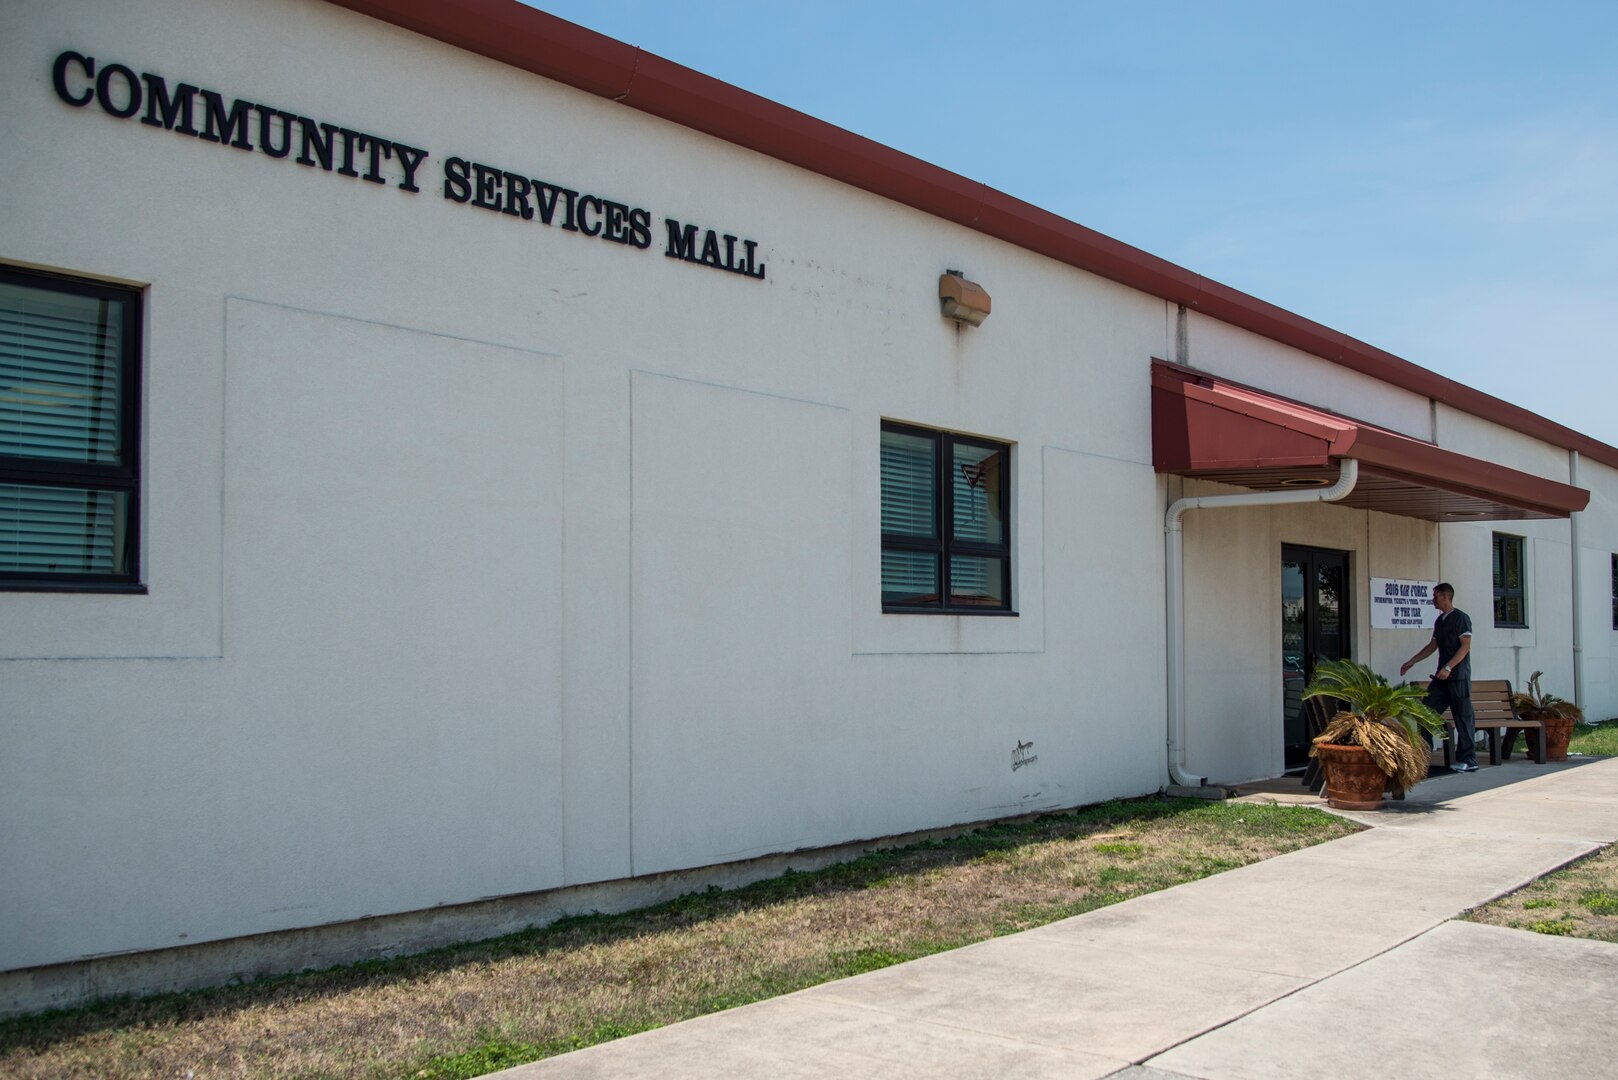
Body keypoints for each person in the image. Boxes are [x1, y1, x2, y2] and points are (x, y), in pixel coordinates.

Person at [1399, 583, 1477, 772]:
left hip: (1457, 678)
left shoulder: (1461, 618)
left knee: (1463, 719)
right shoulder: (1440, 621)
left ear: (1445, 596)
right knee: (1424, 713)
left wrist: (1449, 667)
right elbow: (1432, 646)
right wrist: (1413, 661)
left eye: (1435, 596)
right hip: (1441, 680)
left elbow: (1465, 647)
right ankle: (1425, 754)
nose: (1432, 600)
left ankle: (1468, 760)